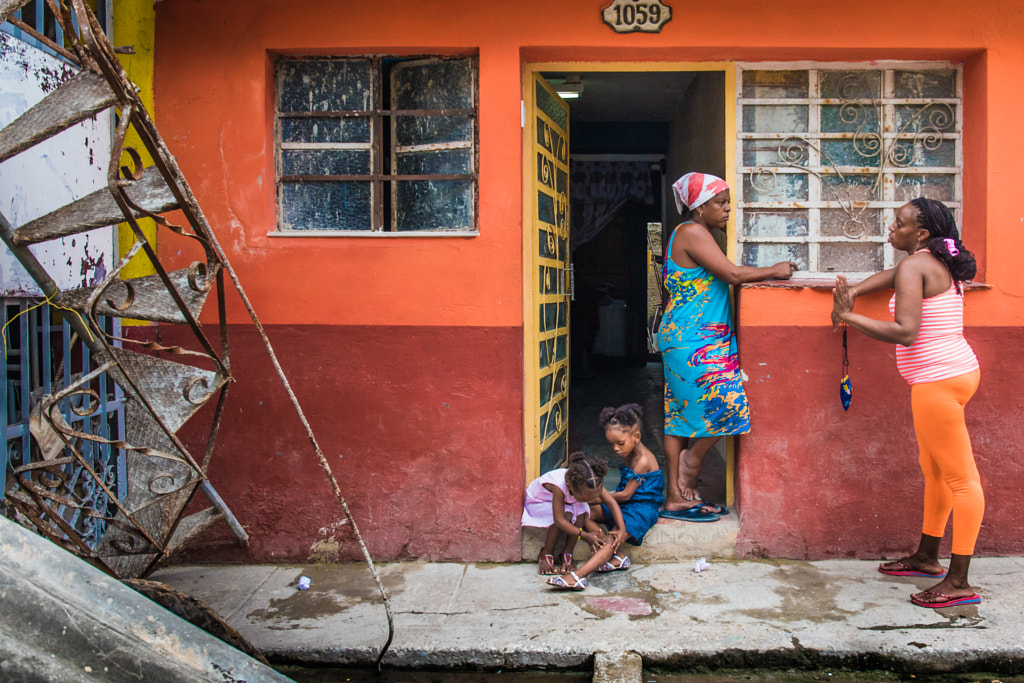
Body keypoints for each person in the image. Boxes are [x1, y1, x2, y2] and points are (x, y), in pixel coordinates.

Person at [832, 197, 982, 609]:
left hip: (938, 380)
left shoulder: (917, 264)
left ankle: (959, 581)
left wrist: (848, 316)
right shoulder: (933, 260)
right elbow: (895, 275)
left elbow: (905, 331)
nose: (890, 229)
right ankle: (928, 556)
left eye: (898, 224)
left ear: (921, 235)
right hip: (954, 373)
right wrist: (860, 289)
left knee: (961, 481)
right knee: (934, 471)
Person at [658, 172, 797, 520]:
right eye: (720, 203)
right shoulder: (691, 232)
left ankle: (674, 496)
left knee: (678, 416)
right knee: (728, 408)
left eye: (727, 203)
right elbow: (732, 275)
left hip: (690, 338)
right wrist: (774, 270)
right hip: (695, 341)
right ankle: (691, 463)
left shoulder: (692, 233)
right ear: (699, 207)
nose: (727, 210)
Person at [521, 451, 627, 591]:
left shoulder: (591, 482)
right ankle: (546, 552)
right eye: (587, 498)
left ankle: (567, 552)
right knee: (567, 514)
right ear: (569, 486)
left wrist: (621, 529)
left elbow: (611, 502)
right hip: (539, 503)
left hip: (568, 504)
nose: (591, 502)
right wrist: (586, 536)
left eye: (593, 498)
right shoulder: (559, 485)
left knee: (581, 510)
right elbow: (559, 521)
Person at [590, 404, 664, 560]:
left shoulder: (643, 461)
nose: (616, 449)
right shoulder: (627, 452)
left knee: (615, 536)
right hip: (624, 503)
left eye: (620, 443)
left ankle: (579, 574)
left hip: (642, 508)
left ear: (636, 437)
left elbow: (626, 494)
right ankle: (615, 556)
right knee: (584, 513)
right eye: (612, 444)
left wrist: (598, 499)